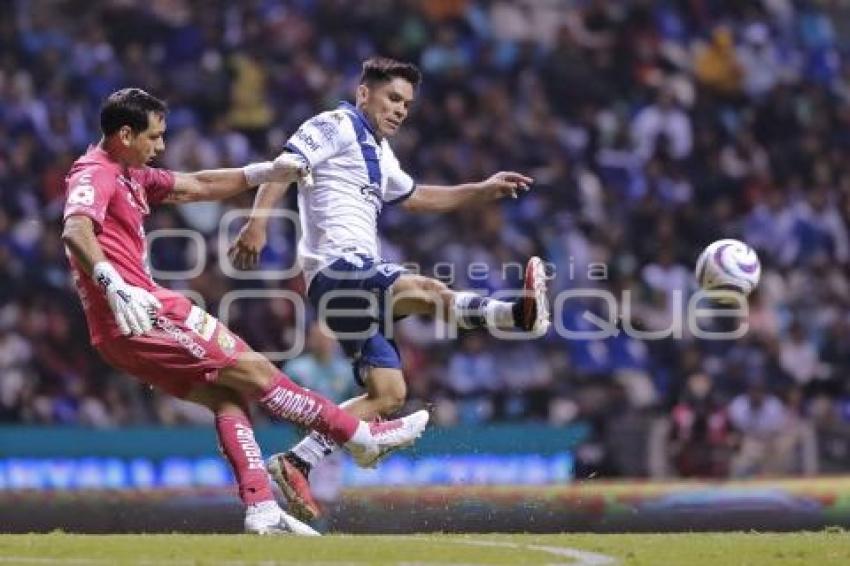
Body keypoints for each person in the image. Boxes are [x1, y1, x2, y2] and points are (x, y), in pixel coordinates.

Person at [61, 88, 429, 535]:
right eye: (154, 137)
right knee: (254, 369)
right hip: (140, 308)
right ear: (124, 134)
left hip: (120, 330)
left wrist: (270, 171)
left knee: (227, 397)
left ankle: (261, 509)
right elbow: (76, 229)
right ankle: (360, 436)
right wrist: (111, 282)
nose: (160, 147)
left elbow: (201, 185)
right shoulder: (94, 172)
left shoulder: (132, 174)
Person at [229, 56, 550, 522]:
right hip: (339, 270)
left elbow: (419, 197)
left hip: (348, 283)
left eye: (407, 104)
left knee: (388, 393)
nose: (401, 110)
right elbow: (284, 167)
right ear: (364, 93)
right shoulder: (335, 124)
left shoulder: (380, 153)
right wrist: (258, 223)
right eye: (393, 98)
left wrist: (482, 189)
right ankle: (514, 315)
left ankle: (298, 461)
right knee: (424, 289)